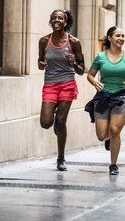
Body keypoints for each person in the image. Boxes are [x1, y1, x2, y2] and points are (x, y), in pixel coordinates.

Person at [85, 26, 125, 175]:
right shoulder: (100, 57)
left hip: (123, 96)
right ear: (110, 38)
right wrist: (94, 82)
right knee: (101, 135)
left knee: (115, 130)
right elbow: (90, 74)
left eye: (123, 36)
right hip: (103, 96)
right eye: (118, 36)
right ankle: (109, 139)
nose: (121, 39)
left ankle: (113, 165)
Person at [38, 9, 85, 171]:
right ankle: (56, 112)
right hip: (50, 84)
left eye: (60, 18)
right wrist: (41, 65)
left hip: (67, 84)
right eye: (53, 18)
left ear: (65, 22)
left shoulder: (74, 42)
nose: (56, 20)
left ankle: (61, 158)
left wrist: (73, 63)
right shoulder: (44, 41)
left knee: (60, 122)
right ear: (50, 21)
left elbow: (81, 70)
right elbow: (40, 62)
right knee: (45, 123)